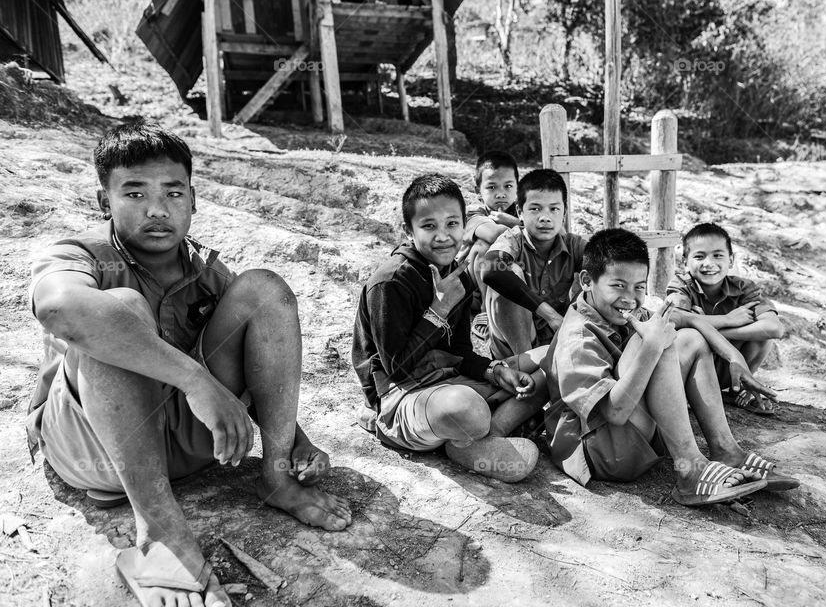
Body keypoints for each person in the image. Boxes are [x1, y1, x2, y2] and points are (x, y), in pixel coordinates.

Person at [26, 121, 351, 607]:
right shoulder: (79, 254)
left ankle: (277, 478)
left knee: (263, 289)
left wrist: (295, 443)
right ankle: (159, 533)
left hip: (190, 445)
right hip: (95, 452)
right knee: (121, 312)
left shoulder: (207, 272)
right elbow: (57, 308)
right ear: (103, 202)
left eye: (173, 193)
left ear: (193, 200)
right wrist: (195, 379)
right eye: (134, 192)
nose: (157, 209)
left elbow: (257, 357)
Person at [544, 228, 799, 505]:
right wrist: (652, 346)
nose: (630, 297)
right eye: (618, 285)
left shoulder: (625, 311)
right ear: (586, 281)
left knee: (688, 339)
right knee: (657, 336)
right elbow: (614, 412)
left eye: (639, 287)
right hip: (600, 451)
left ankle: (727, 451)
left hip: (632, 439)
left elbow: (689, 320)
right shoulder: (577, 337)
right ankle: (690, 468)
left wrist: (733, 357)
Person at [352, 173, 547, 483]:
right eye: (429, 226)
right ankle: (475, 430)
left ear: (463, 225)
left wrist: (494, 372)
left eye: (452, 224)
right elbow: (398, 370)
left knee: (550, 361)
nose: (443, 236)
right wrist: (439, 309)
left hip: (449, 380)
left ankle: (475, 441)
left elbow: (459, 353)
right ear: (408, 230)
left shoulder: (457, 275)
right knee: (469, 409)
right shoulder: (391, 282)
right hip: (402, 397)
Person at [666, 223, 786, 415]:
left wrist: (708, 328)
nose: (709, 263)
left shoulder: (744, 288)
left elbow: (774, 328)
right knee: (688, 337)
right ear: (685, 261)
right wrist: (728, 319)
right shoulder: (681, 285)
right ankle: (688, 394)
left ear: (731, 260)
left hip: (731, 369)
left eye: (718, 255)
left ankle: (741, 387)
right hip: (691, 371)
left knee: (763, 338)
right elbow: (673, 318)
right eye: (699, 256)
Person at [480, 169, 585, 359]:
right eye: (535, 208)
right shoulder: (512, 240)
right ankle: (524, 365)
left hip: (557, 338)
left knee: (594, 277)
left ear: (564, 212)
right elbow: (490, 270)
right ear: (520, 212)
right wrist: (550, 315)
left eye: (554, 209)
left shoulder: (574, 245)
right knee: (508, 271)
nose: (545, 217)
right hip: (514, 346)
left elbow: (608, 269)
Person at [461, 151, 521, 340]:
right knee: (484, 246)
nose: (501, 193)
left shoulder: (522, 212)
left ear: (518, 187)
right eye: (492, 187)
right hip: (470, 288)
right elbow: (495, 233)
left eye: (508, 186)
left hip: (508, 283)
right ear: (478, 189)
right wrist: (517, 225)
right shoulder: (473, 212)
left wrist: (515, 221)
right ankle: (485, 312)